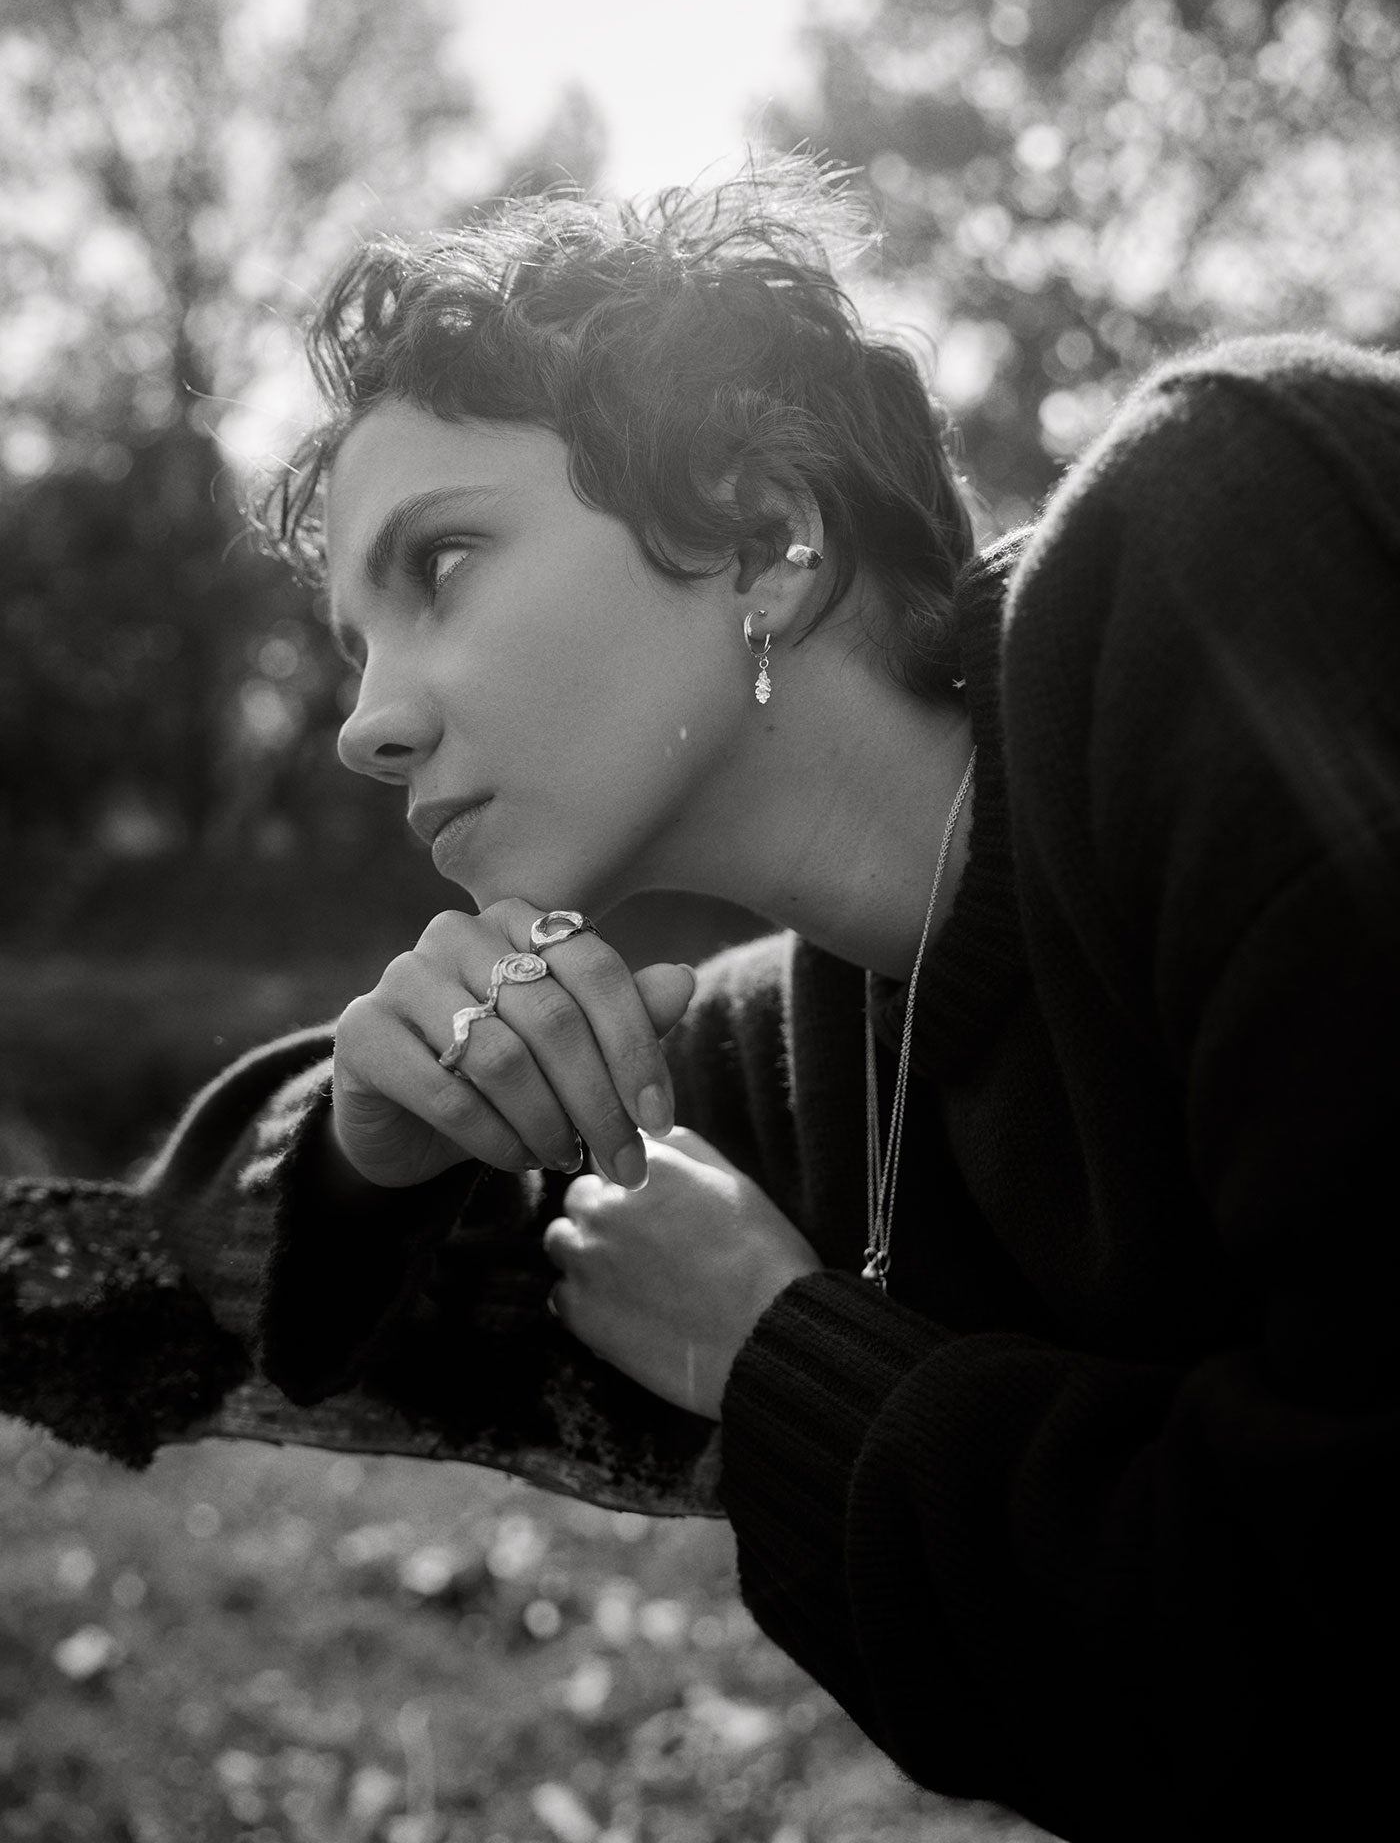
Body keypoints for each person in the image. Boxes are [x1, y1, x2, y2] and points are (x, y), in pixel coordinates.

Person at [130, 162, 1400, 1840]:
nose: (364, 723)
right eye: (354, 640)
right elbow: (125, 1307)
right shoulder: (807, 1056)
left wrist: (773, 1351)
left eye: (438, 565)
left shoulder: (1229, 552)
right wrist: (363, 1142)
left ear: (769, 537)